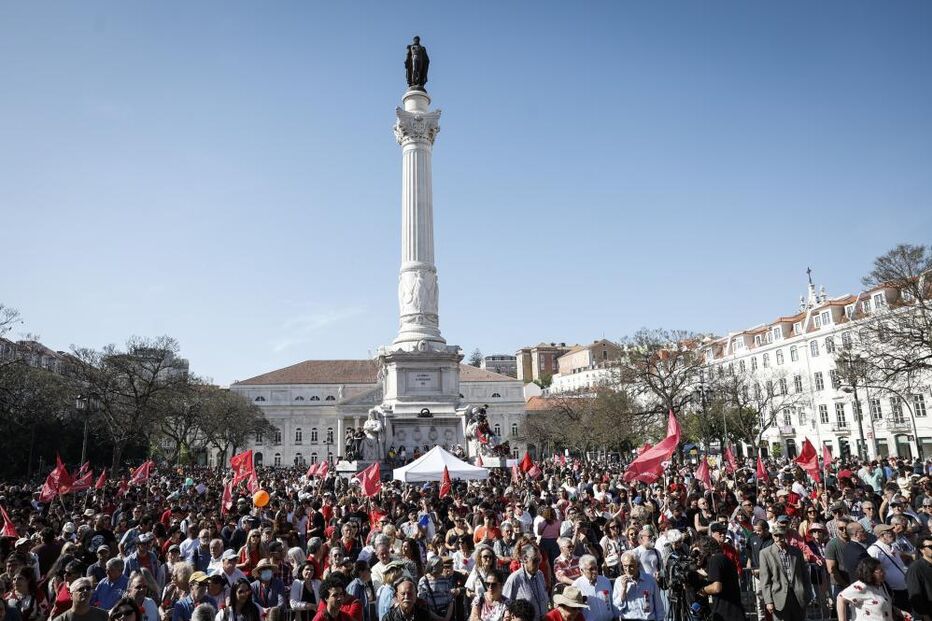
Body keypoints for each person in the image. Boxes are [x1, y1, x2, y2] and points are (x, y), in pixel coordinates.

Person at [758, 524, 812, 621]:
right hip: (778, 598)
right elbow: (765, 580)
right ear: (773, 536)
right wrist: (768, 601)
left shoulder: (796, 552)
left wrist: (808, 594)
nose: (779, 538)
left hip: (798, 596)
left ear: (785, 535)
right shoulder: (765, 553)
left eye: (781, 535)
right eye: (776, 535)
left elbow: (805, 575)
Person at [697, 538, 744, 621]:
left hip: (726, 614)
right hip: (735, 612)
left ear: (705, 550)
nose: (700, 554)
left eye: (700, 551)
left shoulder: (715, 560)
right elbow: (711, 574)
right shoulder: (723, 558)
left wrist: (703, 590)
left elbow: (716, 588)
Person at [837, 557, 896, 621]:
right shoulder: (861, 586)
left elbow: (885, 604)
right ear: (870, 572)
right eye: (880, 570)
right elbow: (841, 597)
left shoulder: (881, 585)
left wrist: (899, 612)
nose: (884, 572)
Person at [868, 524, 910, 611]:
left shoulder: (892, 546)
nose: (893, 533)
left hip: (904, 589)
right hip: (892, 592)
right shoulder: (874, 550)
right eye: (889, 532)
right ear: (882, 535)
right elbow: (873, 572)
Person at [612, 550, 664, 621]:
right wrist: (623, 590)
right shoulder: (619, 581)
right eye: (625, 566)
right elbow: (616, 607)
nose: (628, 569)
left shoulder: (650, 580)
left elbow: (659, 606)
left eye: (631, 566)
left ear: (638, 565)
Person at [502, 547, 548, 621]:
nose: (538, 564)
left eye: (539, 560)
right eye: (535, 560)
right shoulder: (514, 579)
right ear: (525, 559)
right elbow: (506, 605)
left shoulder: (540, 574)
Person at [571, 555, 613, 621]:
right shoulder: (576, 586)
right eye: (591, 569)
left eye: (596, 568)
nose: (595, 571)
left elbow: (612, 602)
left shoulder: (605, 581)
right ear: (582, 570)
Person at [907, 535, 932, 620]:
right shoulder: (915, 568)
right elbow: (915, 596)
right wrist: (925, 616)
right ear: (922, 550)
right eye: (930, 547)